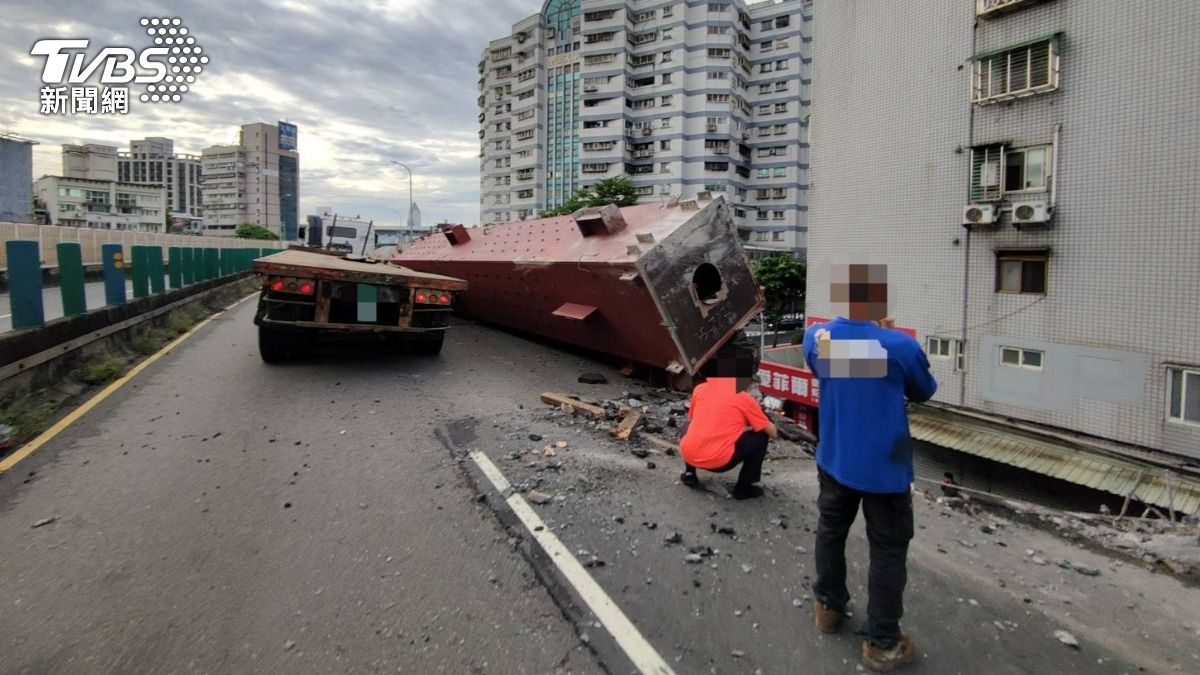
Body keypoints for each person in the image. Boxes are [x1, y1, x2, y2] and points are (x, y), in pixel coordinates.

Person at [802, 262, 937, 672]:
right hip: (884, 471)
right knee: (888, 550)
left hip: (835, 459)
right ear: (879, 301)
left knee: (831, 531)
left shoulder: (816, 338)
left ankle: (828, 609)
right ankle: (881, 642)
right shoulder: (898, 347)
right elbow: (923, 391)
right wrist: (886, 334)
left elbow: (831, 368)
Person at [679, 342, 779, 500]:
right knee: (761, 437)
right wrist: (762, 418)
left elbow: (693, 418)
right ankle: (744, 488)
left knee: (689, 424)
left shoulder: (700, 389)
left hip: (690, 453)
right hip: (720, 462)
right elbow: (773, 433)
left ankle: (689, 472)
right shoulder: (744, 398)